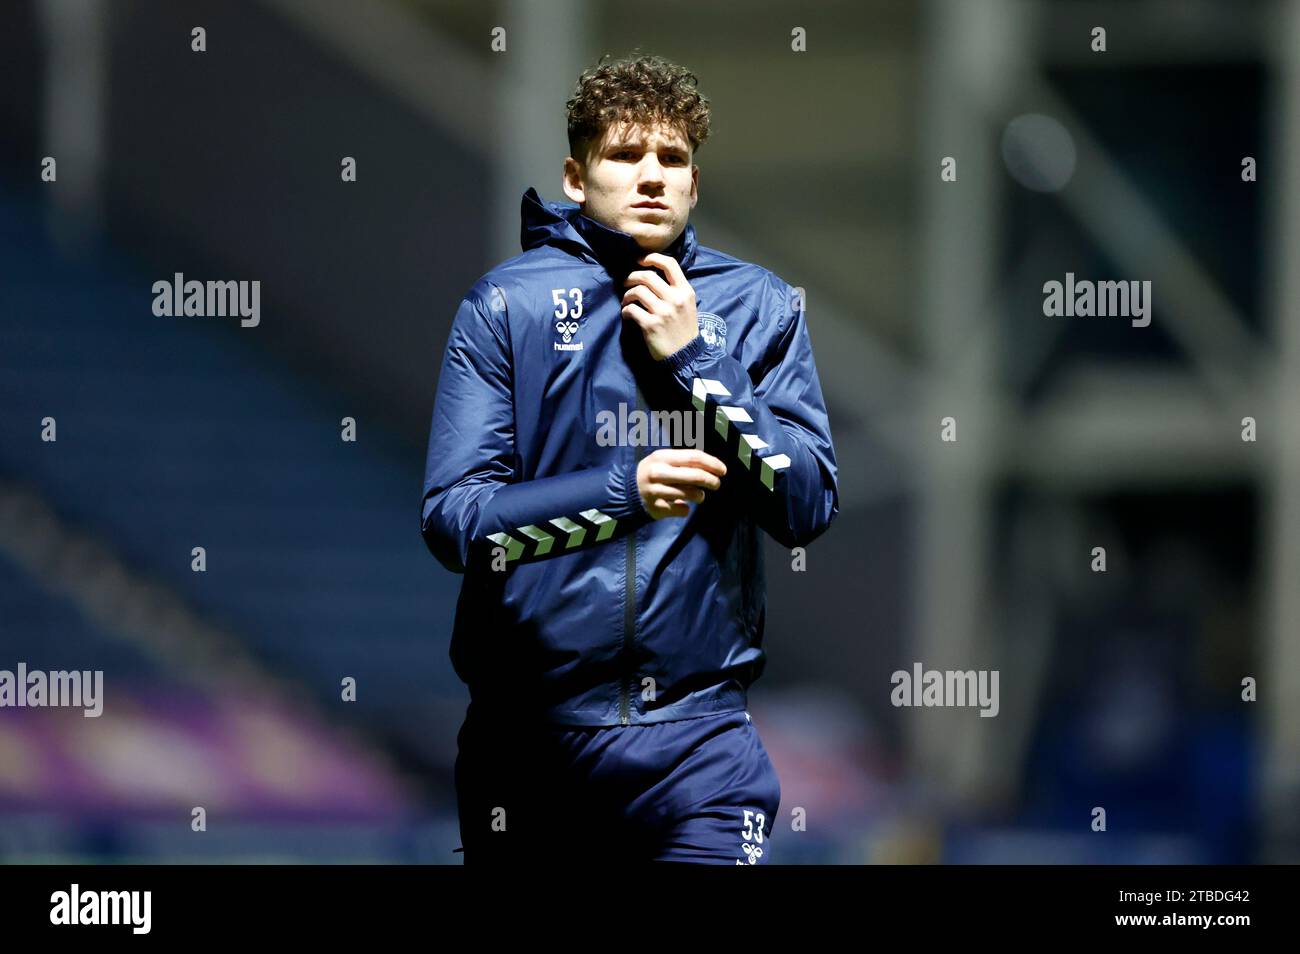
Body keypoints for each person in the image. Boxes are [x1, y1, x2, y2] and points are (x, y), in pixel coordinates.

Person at [421, 52, 838, 864]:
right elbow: (456, 523)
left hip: (701, 747)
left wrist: (698, 365)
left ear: (694, 184)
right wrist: (623, 493)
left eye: (672, 159)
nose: (652, 176)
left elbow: (806, 505)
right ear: (577, 177)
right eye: (625, 155)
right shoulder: (506, 306)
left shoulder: (760, 307)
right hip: (532, 746)